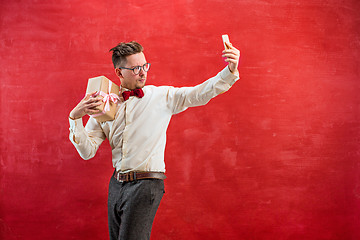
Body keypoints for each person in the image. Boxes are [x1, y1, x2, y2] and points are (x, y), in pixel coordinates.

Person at [68, 40, 240, 240]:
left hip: (146, 183)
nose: (143, 72)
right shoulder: (106, 104)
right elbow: (87, 151)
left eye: (145, 66)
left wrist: (229, 71)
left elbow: (198, 93)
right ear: (119, 73)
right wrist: (75, 117)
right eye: (135, 68)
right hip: (116, 184)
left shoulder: (161, 96)